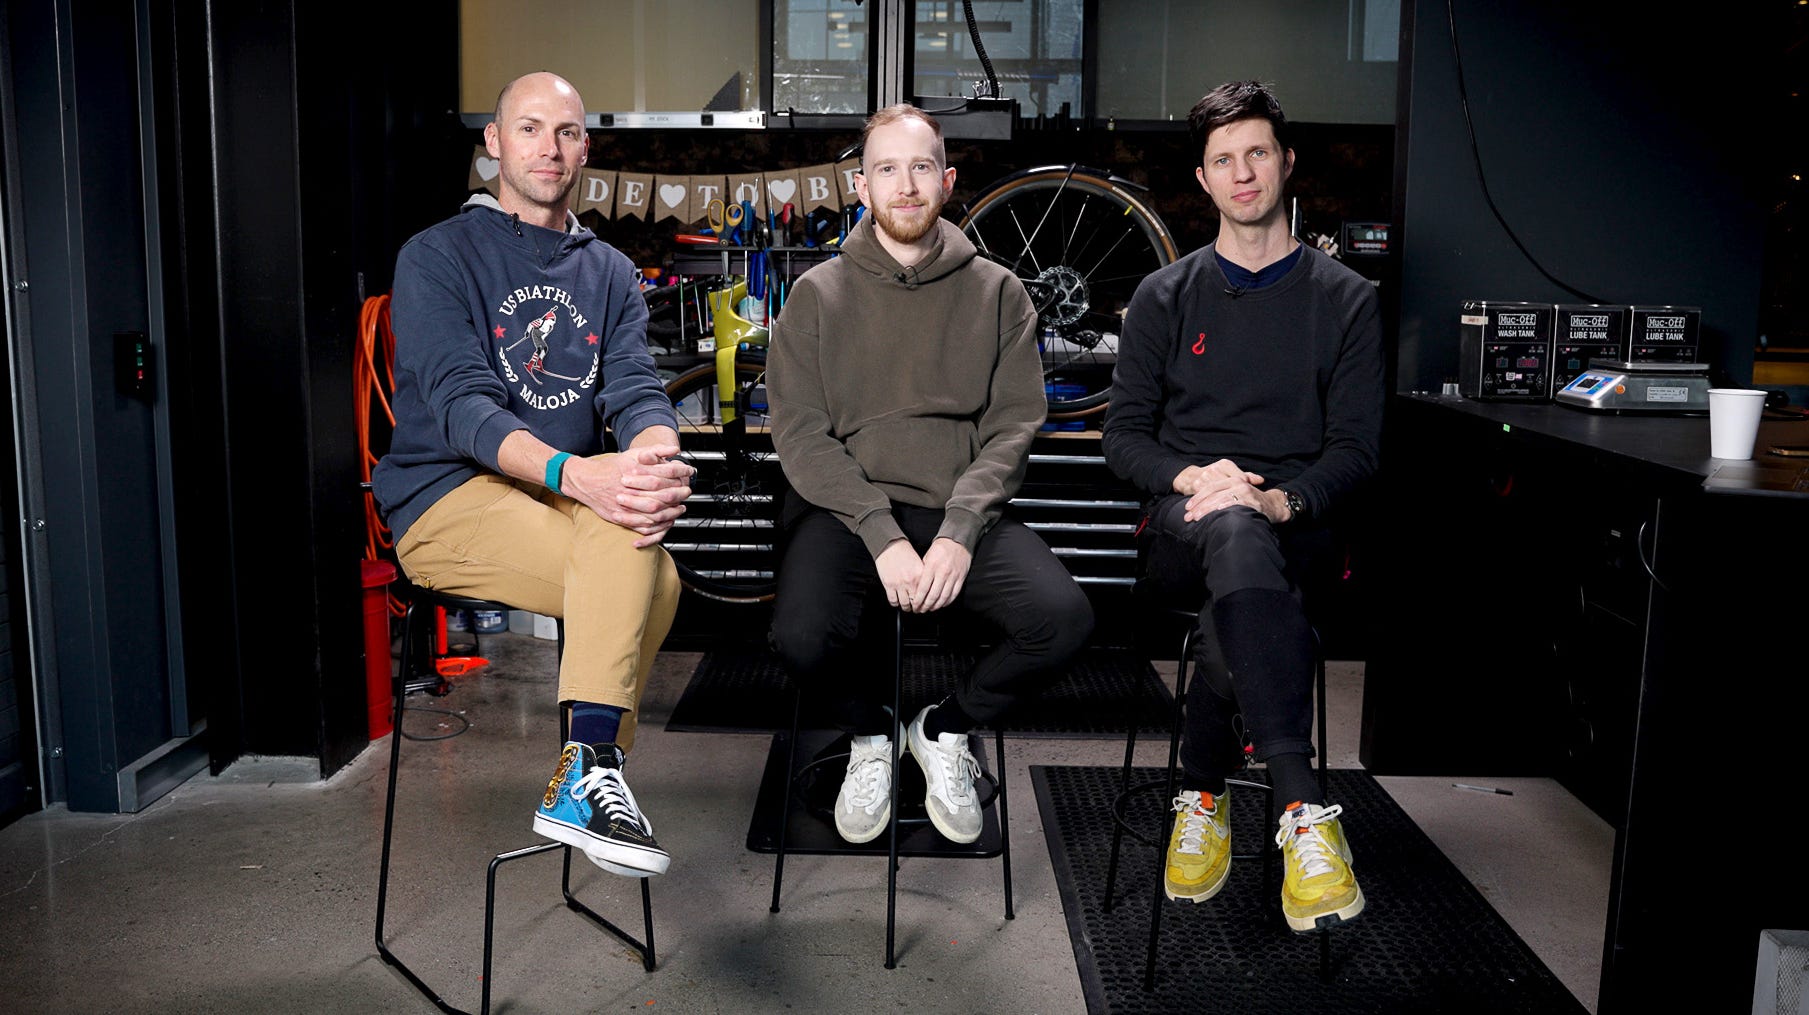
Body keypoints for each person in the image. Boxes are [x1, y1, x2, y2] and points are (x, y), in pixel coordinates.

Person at [371, 72, 691, 879]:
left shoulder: (611, 270)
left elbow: (636, 389)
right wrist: (582, 476)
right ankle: (592, 771)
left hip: (556, 496)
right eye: (529, 128)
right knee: (641, 566)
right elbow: (463, 408)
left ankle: (585, 774)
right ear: (494, 143)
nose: (549, 149)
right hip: (442, 499)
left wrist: (654, 459)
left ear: (587, 147)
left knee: (659, 568)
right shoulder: (437, 254)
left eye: (568, 133)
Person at [767, 105, 1093, 846]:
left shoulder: (1000, 291)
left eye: (920, 168)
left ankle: (941, 728)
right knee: (799, 634)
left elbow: (1013, 425)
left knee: (1063, 619)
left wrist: (957, 532)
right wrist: (880, 534)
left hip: (957, 508)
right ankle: (872, 735)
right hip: (849, 512)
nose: (904, 185)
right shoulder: (816, 294)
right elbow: (800, 433)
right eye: (886, 168)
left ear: (946, 182)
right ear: (860, 185)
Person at [1102, 80, 1383, 931]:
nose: (1243, 172)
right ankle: (1301, 808)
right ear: (1203, 179)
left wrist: (1278, 498)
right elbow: (1124, 441)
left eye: (1256, 152)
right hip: (1180, 531)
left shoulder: (1346, 301)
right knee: (1228, 530)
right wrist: (1198, 480)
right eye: (1223, 159)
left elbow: (1357, 451)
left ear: (1285, 161)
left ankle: (1200, 790)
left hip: (1296, 533)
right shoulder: (1164, 295)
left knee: (1244, 550)